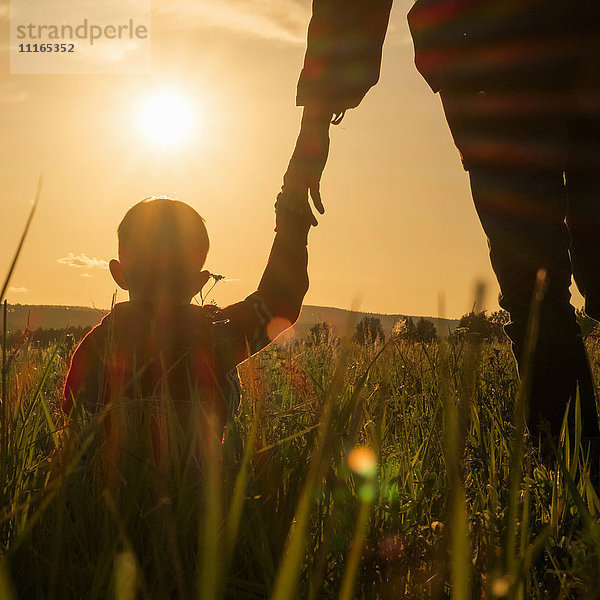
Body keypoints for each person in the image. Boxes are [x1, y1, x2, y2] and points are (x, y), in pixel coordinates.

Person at [282, 0, 600, 445]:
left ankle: (575, 485)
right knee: (539, 288)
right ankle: (577, 484)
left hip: (487, 56)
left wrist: (315, 124)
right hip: (496, 55)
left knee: (536, 287)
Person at [62, 195, 311, 439]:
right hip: (197, 479)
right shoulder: (211, 335)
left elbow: (73, 428)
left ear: (119, 274)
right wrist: (292, 218)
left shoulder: (96, 344)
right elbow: (280, 300)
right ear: (199, 282)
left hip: (106, 480)